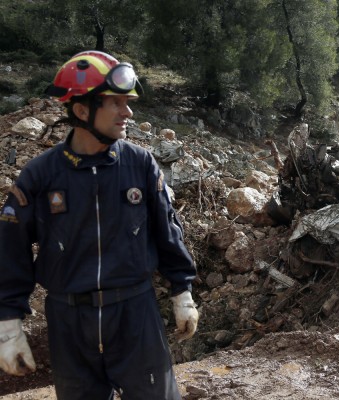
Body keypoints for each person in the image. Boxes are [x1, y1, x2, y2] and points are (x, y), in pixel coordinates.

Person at [0, 50, 199, 399]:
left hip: (135, 316)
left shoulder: (140, 165)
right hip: (69, 323)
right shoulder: (40, 175)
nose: (129, 112)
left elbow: (167, 230)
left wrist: (182, 290)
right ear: (82, 110)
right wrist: (8, 323)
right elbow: (10, 249)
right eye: (117, 103)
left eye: (128, 102)